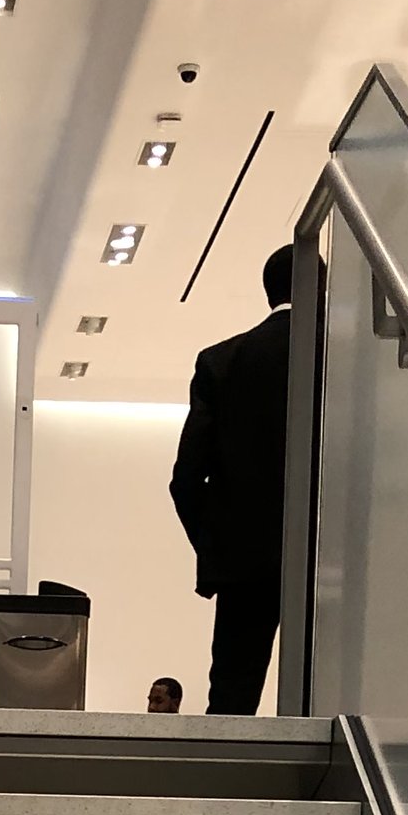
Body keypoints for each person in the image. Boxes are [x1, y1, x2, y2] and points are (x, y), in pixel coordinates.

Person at [169, 242, 300, 715]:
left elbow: (185, 479)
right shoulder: (350, 360)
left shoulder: (220, 361)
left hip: (245, 558)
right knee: (332, 698)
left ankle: (223, 784)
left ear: (268, 293)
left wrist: (216, 544)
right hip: (335, 556)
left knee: (232, 696)